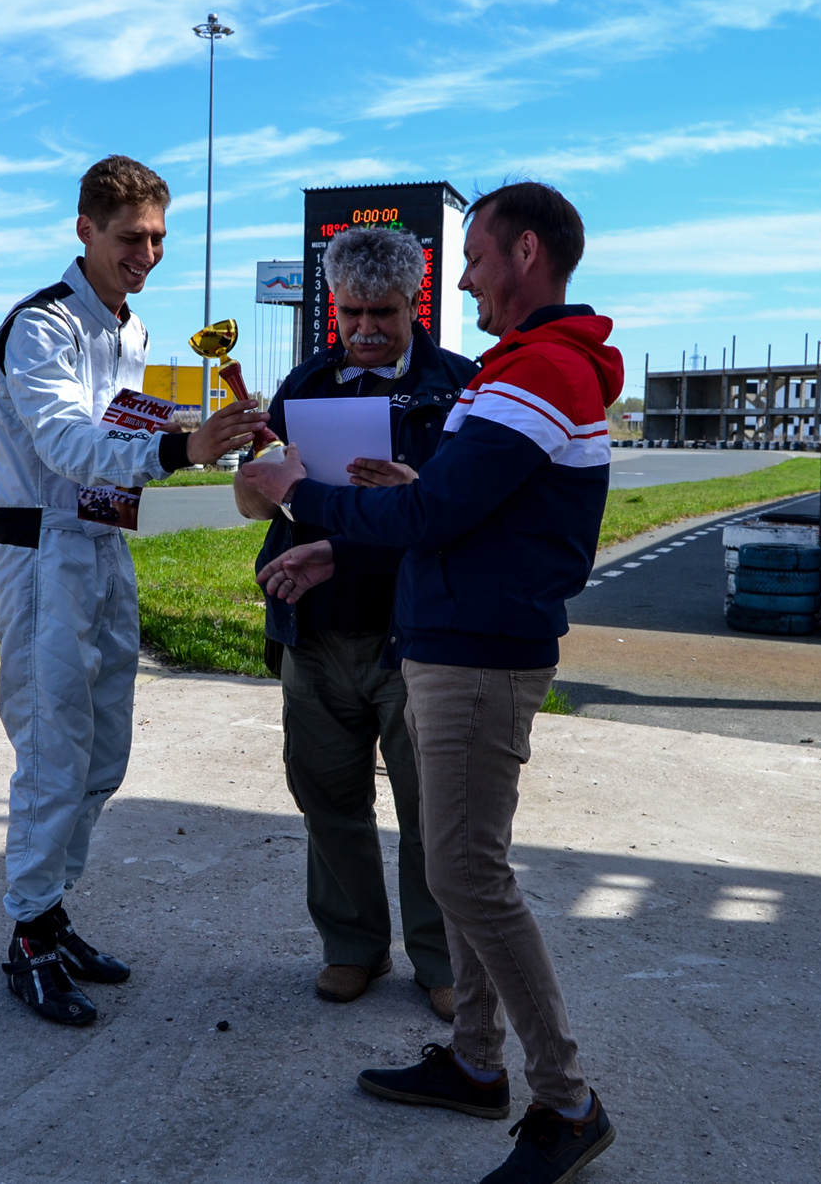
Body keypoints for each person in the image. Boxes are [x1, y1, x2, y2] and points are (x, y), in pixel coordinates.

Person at [241, 181, 620, 1184]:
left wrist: (303, 495)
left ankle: (566, 1100)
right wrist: (343, 544)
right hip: (455, 631)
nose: (464, 281)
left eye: (476, 259)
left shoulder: (535, 369)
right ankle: (475, 1061)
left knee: (464, 874)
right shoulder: (523, 368)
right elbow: (459, 511)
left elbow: (432, 519)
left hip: (478, 651)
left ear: (525, 252)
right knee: (461, 861)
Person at [0, 155, 267, 1026]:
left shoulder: (131, 328)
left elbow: (113, 443)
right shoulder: (40, 325)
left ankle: (49, 911)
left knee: (104, 752)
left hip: (103, 544)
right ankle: (27, 935)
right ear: (85, 230)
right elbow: (67, 445)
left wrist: (188, 439)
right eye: (130, 237)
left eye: (157, 238)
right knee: (52, 750)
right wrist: (184, 448)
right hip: (41, 553)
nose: (146, 254)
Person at [232, 226, 475, 1019]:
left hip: (413, 633)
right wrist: (255, 480)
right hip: (314, 627)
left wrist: (415, 493)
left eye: (382, 313)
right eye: (350, 313)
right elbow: (254, 506)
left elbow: (470, 515)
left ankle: (440, 960)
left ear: (414, 305)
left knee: (431, 810)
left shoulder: (460, 388)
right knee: (328, 798)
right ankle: (351, 946)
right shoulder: (304, 384)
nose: (365, 329)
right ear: (332, 306)